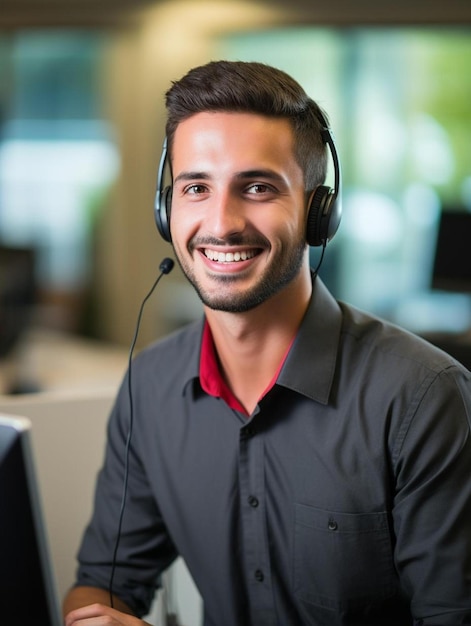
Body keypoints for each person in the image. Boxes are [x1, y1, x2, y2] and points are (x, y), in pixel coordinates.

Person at [63, 60, 471, 626]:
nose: (222, 222)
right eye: (196, 187)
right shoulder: (150, 386)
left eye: (257, 187)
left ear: (317, 211)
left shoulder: (423, 397)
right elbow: (103, 585)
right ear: (167, 209)